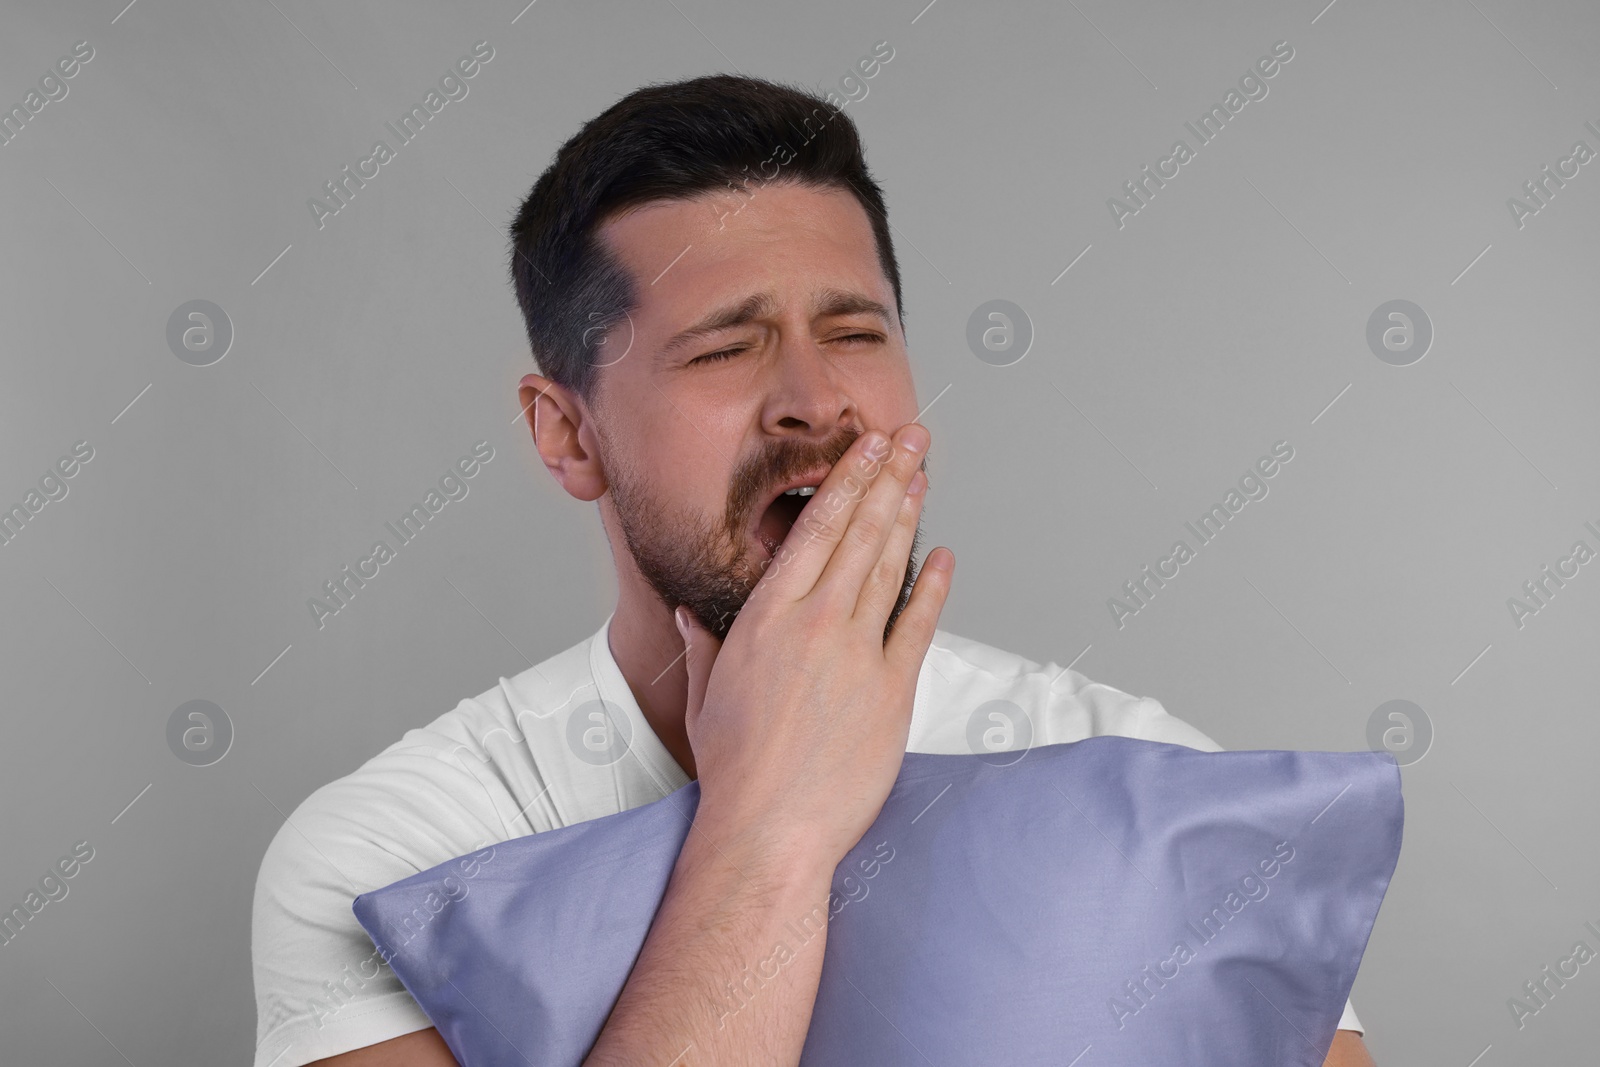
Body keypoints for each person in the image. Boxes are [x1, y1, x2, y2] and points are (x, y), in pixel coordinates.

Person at [251, 73, 1374, 1066]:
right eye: (725, 347)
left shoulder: (1151, 785)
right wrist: (770, 824)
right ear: (568, 435)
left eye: (854, 331)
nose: (815, 397)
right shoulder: (387, 854)